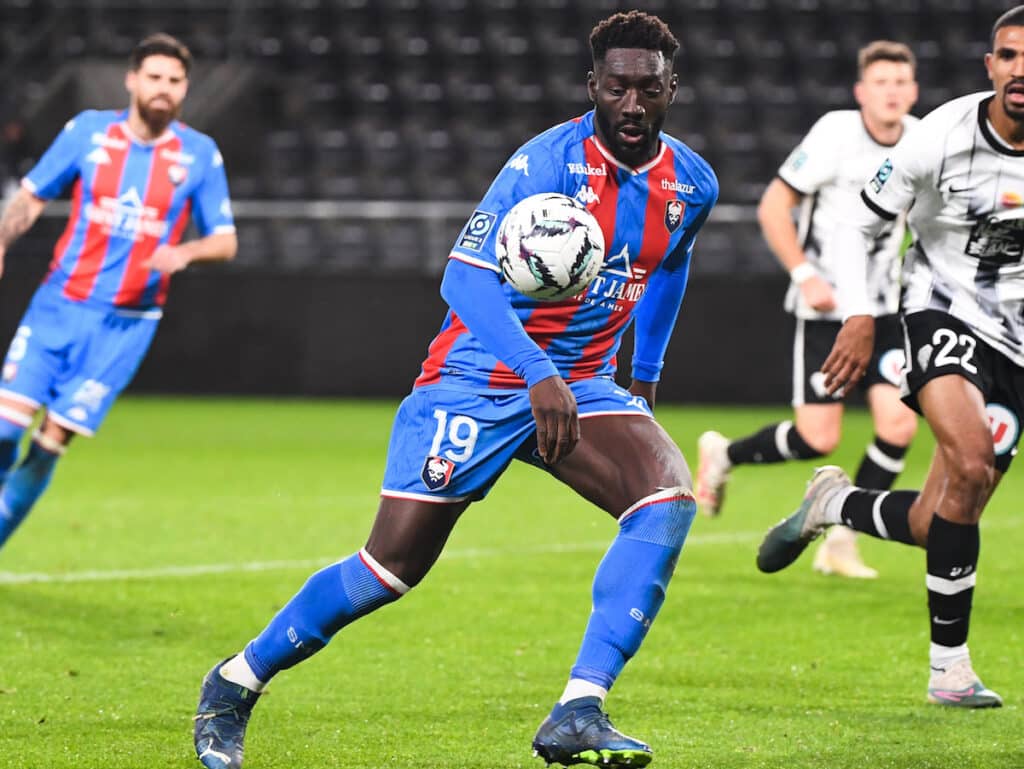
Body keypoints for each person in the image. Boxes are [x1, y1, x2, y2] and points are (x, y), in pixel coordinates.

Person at [193, 11, 717, 769]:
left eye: (649, 89)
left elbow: (669, 267)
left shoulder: (690, 183)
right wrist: (536, 371)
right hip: (478, 378)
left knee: (666, 498)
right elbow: (463, 277)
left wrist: (644, 379)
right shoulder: (543, 165)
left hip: (581, 382)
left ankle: (579, 705)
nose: (633, 105)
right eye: (617, 88)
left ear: (673, 88)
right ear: (593, 87)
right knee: (389, 569)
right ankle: (235, 681)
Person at [755, 6, 1024, 709]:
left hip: (1017, 341)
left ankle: (835, 502)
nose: (1022, 70)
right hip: (940, 310)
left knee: (944, 516)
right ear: (989, 65)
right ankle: (950, 671)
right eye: (1009, 55)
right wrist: (859, 314)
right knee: (969, 462)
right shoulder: (938, 137)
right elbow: (854, 221)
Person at [0, 34, 236, 551]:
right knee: (3, 430)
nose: (163, 89)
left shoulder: (198, 155)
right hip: (58, 306)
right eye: (154, 77)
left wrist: (185, 253)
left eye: (174, 81)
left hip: (124, 327)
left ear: (184, 90)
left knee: (49, 444)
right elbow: (33, 196)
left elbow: (225, 239)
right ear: (132, 80)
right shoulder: (88, 133)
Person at [694, 41, 920, 579]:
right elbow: (775, 203)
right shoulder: (835, 134)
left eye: (901, 83)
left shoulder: (921, 141)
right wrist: (804, 274)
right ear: (861, 92)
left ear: (913, 91)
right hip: (828, 311)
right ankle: (724, 455)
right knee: (819, 438)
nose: (892, 93)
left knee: (898, 425)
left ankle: (842, 539)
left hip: (884, 310)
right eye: (881, 83)